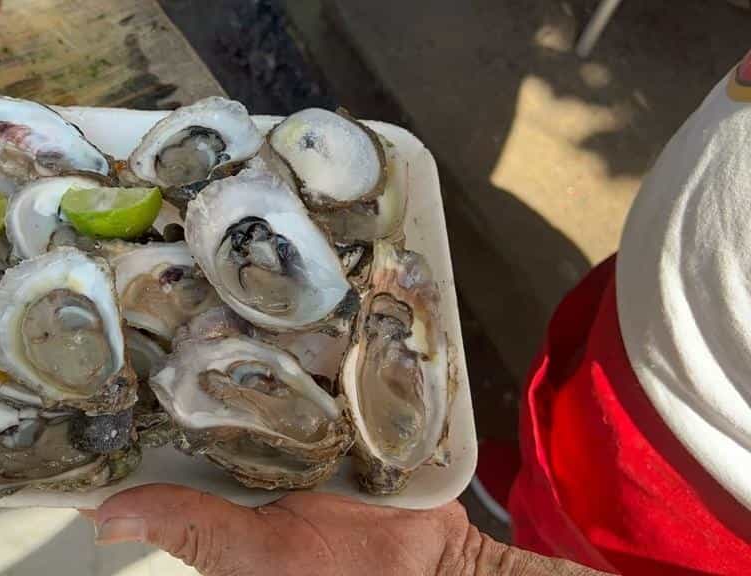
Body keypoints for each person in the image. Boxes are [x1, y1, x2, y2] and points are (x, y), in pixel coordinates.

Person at [85, 53, 751, 575]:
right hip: (635, 339)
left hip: (689, 526)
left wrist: (469, 567)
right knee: (555, 458)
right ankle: (530, 489)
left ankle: (538, 517)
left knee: (587, 527)